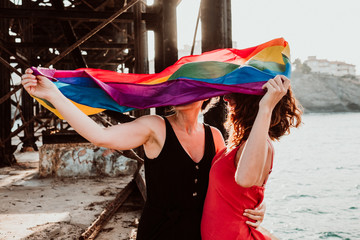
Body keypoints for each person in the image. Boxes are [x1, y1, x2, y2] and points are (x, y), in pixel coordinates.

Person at [21, 68, 266, 240]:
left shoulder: (214, 135)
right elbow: (100, 136)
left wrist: (259, 204)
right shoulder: (154, 126)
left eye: (189, 87)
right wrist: (54, 95)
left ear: (205, 95)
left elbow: (227, 186)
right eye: (176, 86)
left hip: (201, 231)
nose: (180, 92)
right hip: (160, 231)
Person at [201, 75, 302, 240]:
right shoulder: (241, 143)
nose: (226, 98)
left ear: (253, 100)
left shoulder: (263, 144)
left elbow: (245, 179)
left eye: (236, 93)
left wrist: (266, 108)